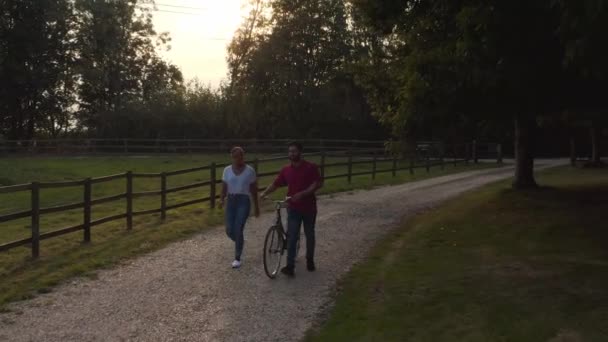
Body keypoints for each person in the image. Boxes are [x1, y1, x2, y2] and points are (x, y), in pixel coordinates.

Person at [261, 141, 322, 277]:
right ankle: (290, 266)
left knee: (309, 234)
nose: (291, 154)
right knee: (292, 236)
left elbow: (317, 183)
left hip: (309, 208)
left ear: (300, 152)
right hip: (293, 208)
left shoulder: (311, 167)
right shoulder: (286, 170)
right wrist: (265, 193)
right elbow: (276, 184)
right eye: (289, 151)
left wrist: (303, 193)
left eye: (294, 151)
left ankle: (310, 259)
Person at [219, 147, 260, 269]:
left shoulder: (250, 171)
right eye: (236, 156)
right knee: (229, 229)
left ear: (243, 156)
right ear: (232, 157)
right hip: (231, 201)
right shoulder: (227, 170)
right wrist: (221, 199)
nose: (238, 159)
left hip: (244, 201)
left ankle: (237, 257)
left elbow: (253, 190)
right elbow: (224, 187)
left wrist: (256, 206)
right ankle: (239, 240)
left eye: (240, 156)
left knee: (238, 227)